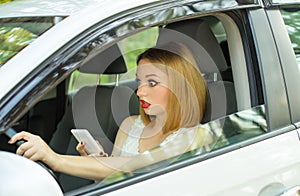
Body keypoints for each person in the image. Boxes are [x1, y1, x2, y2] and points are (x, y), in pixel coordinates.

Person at [9, 42, 212, 181]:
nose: (140, 91)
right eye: (140, 81)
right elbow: (116, 177)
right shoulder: (130, 125)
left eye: (152, 82)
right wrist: (98, 160)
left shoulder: (194, 136)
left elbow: (134, 166)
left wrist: (54, 158)